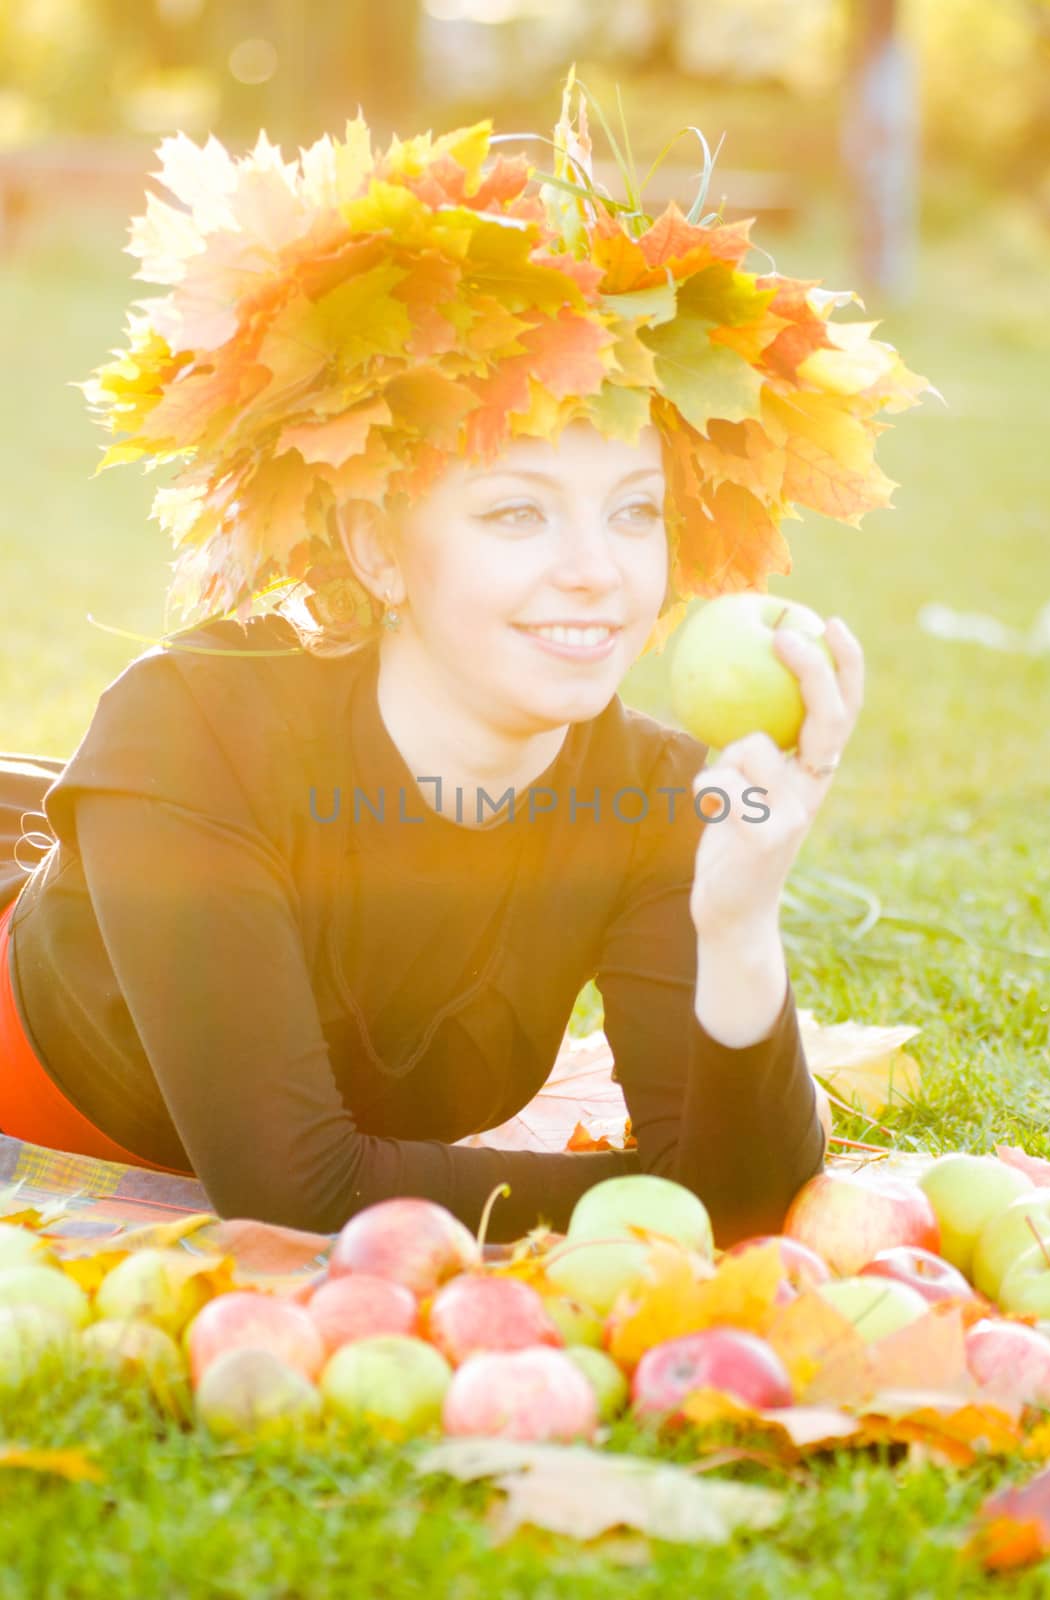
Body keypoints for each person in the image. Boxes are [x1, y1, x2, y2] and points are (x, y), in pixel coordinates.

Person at [0, 83, 928, 1244]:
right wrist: (654, 1199)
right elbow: (294, 1195)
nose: (598, 571)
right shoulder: (191, 728)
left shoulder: (653, 798)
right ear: (379, 546)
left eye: (634, 512)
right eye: (518, 515)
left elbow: (745, 1202)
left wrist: (740, 923)